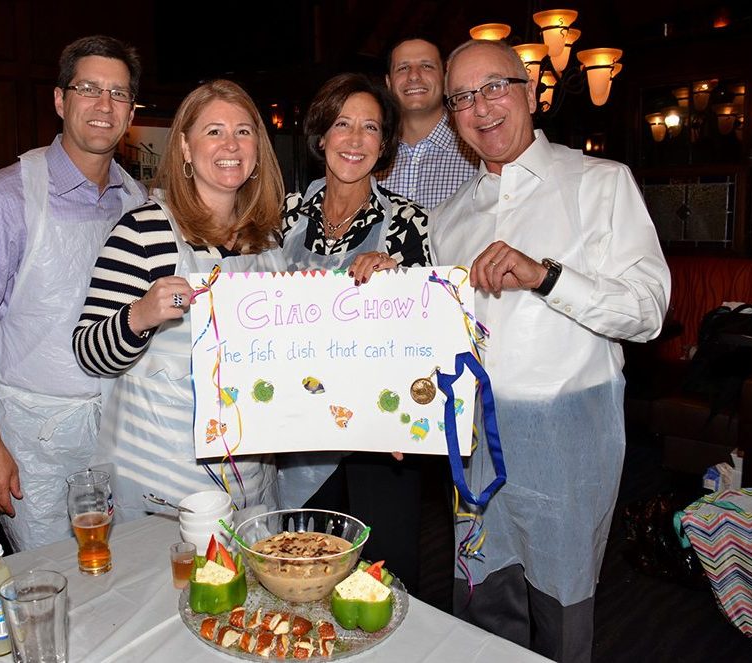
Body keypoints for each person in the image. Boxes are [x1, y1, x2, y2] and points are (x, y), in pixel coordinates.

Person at [431, 39, 671, 662]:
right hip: (476, 447)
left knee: (562, 614)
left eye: (495, 87)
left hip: (568, 442)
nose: (480, 108)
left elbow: (648, 313)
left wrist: (548, 276)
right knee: (484, 608)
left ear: (530, 90)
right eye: (461, 97)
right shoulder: (447, 217)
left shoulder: (601, 183)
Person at [0, 35, 146, 552]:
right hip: (34, 441)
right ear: (60, 99)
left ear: (131, 111)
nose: (103, 105)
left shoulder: (138, 202)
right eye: (89, 89)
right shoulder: (4, 199)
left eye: (118, 95)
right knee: (52, 580)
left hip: (123, 431)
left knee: (129, 575)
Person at [73, 79, 286, 524]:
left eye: (244, 131)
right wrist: (141, 315)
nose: (231, 144)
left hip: (250, 475)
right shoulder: (145, 230)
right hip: (162, 478)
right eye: (214, 131)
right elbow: (89, 352)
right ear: (186, 149)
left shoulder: (267, 241)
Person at [276, 72, 429, 594]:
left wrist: (397, 284)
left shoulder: (409, 222)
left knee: (379, 581)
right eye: (343, 124)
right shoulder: (284, 214)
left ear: (384, 144)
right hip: (297, 428)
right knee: (301, 571)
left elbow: (426, 332)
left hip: (377, 437)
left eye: (370, 127)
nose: (356, 139)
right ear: (321, 136)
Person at [378, 37, 478, 208]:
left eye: (426, 66)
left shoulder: (478, 150)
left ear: (446, 79)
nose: (414, 76)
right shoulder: (371, 155)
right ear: (389, 83)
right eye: (403, 68)